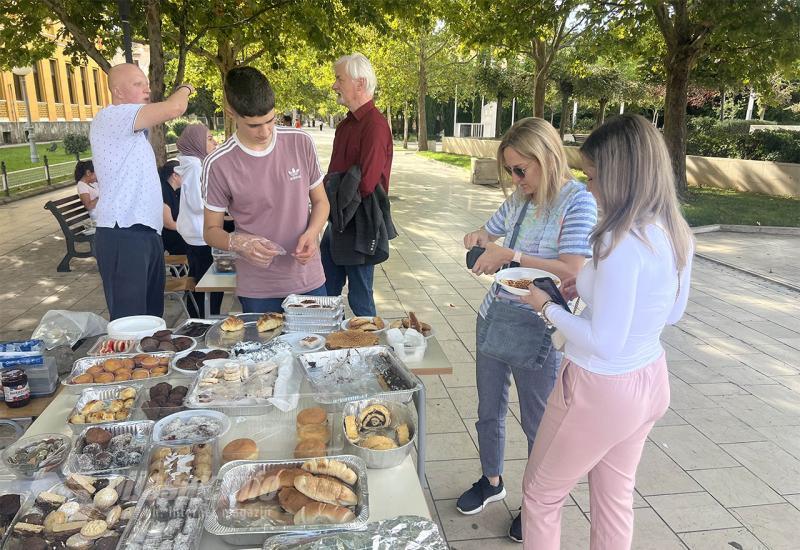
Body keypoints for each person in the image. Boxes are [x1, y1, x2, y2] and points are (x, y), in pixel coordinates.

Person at [519, 114, 694, 550]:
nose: (588, 186)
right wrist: (591, 288)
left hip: (599, 386)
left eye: (593, 176)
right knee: (614, 498)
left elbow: (603, 341)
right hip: (649, 380)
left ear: (620, 175)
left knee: (540, 496)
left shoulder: (618, 244)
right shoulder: (673, 231)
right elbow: (670, 313)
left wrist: (547, 308)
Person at [457, 117, 597, 543]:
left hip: (540, 324)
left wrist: (512, 255)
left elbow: (574, 268)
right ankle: (492, 480)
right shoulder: (520, 197)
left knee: (539, 423)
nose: (515, 179)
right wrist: (478, 239)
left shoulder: (577, 202)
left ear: (548, 159)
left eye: (521, 170)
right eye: (510, 171)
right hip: (494, 316)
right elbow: (491, 230)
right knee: (488, 410)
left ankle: (535, 503)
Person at [202, 66, 329, 313]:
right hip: (258, 289)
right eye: (254, 125)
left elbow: (322, 202)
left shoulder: (300, 142)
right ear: (231, 114)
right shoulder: (217, 163)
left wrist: (313, 233)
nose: (265, 132)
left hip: (308, 280)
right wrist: (238, 243)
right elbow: (210, 231)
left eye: (270, 120)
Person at [89, 63, 194, 320]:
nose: (147, 88)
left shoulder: (132, 131)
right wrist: (185, 88)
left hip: (145, 232)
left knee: (151, 319)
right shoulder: (113, 115)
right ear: (118, 91)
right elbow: (175, 107)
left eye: (146, 82)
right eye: (138, 84)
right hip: (123, 233)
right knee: (130, 321)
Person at [320, 52, 394, 316]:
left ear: (360, 84)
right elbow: (333, 176)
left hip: (360, 222)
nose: (334, 85)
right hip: (337, 222)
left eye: (339, 78)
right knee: (324, 292)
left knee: (360, 298)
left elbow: (365, 185)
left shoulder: (374, 125)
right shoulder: (345, 126)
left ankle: (368, 351)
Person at [175, 123, 223, 317]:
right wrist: (222, 204)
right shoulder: (195, 165)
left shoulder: (195, 163)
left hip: (194, 233)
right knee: (209, 283)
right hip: (200, 234)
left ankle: (199, 318)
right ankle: (204, 320)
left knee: (198, 279)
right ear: (197, 142)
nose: (215, 142)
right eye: (209, 138)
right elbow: (197, 203)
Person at [159, 160, 188, 255]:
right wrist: (190, 228)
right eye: (184, 174)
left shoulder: (178, 192)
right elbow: (168, 224)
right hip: (171, 239)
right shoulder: (164, 192)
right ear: (175, 176)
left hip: (180, 234)